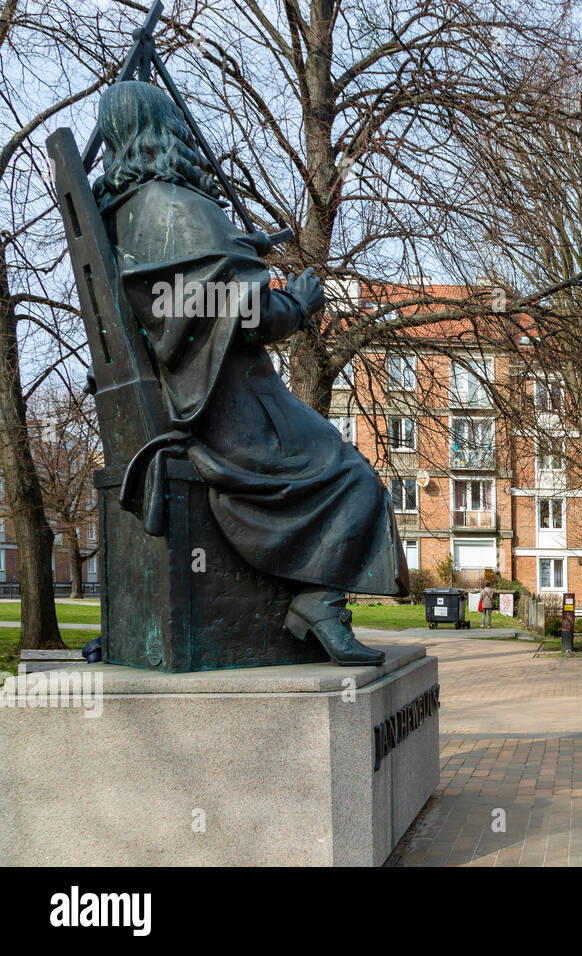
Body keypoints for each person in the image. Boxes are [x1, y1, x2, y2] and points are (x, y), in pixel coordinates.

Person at [95, 81, 407, 666]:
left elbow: (184, 286)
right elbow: (246, 314)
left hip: (185, 403)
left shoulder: (121, 213)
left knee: (336, 462)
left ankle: (312, 604)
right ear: (168, 131)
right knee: (353, 476)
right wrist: (302, 302)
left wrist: (238, 246)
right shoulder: (183, 206)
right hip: (228, 414)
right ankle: (320, 604)